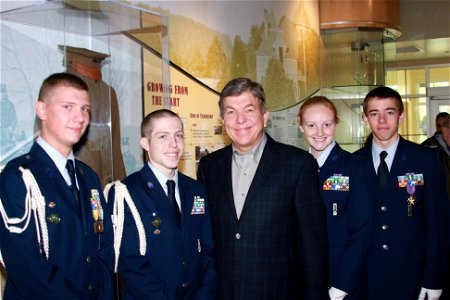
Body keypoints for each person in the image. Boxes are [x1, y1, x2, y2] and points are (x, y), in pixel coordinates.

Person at [197, 78, 329, 300]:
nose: (240, 119)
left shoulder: (297, 164)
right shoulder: (209, 167)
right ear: (222, 120)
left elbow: (313, 244)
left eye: (249, 109)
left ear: (265, 116)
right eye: (231, 112)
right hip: (224, 293)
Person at [0, 72, 114, 299]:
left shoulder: (88, 177)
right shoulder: (18, 178)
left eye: (85, 109)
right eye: (68, 107)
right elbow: (27, 267)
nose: (80, 117)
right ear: (42, 110)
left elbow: (103, 247)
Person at [105, 109, 217, 299]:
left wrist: (204, 294)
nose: (173, 144)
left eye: (178, 136)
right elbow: (130, 263)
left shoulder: (196, 190)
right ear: (145, 144)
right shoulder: (126, 193)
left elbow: (207, 251)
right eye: (163, 136)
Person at [354, 86, 449, 300]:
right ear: (365, 119)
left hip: (412, 276)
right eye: (374, 114)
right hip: (365, 277)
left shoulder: (425, 160)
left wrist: (434, 278)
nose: (382, 121)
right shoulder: (354, 163)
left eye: (389, 112)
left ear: (401, 116)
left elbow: (438, 224)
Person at [298, 96, 372, 300]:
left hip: (342, 283)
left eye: (327, 124)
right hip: (302, 282)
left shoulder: (354, 167)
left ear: (336, 124)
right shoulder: (293, 166)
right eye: (311, 125)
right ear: (301, 126)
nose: (319, 133)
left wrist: (341, 286)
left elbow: (361, 233)